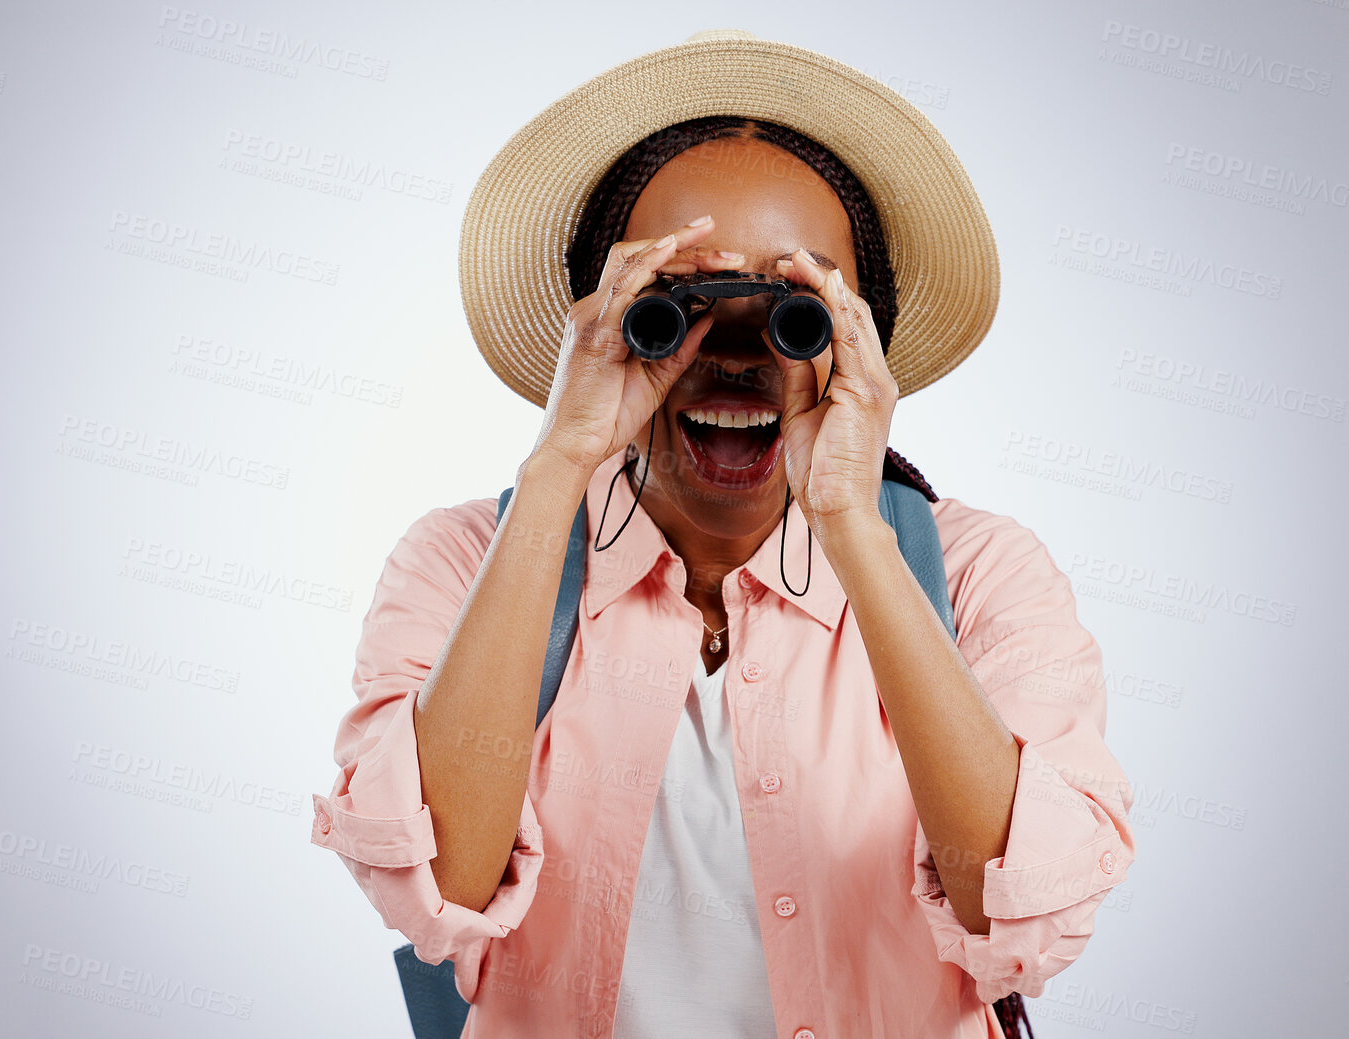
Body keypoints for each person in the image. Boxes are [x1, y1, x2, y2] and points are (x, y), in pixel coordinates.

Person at [310, 30, 1136, 1039]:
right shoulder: (461, 564)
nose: (736, 361)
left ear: (859, 331)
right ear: (599, 321)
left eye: (799, 314)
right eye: (675, 306)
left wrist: (852, 523)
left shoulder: (974, 574)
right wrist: (559, 462)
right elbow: (435, 886)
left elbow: (1023, 912)